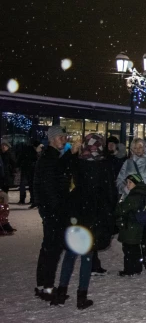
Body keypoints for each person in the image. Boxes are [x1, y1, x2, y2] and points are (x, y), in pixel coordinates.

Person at [52, 134, 114, 309]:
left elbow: (59, 170)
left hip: (76, 212)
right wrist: (109, 216)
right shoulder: (104, 164)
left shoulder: (78, 161)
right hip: (94, 214)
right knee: (87, 256)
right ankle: (81, 296)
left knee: (70, 255)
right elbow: (109, 192)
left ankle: (61, 292)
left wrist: (71, 153)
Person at [33, 126, 78, 301]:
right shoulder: (49, 158)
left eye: (64, 137)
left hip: (51, 210)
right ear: (52, 139)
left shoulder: (49, 156)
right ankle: (48, 287)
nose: (64, 140)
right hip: (54, 211)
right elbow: (52, 183)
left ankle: (43, 284)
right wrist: (56, 209)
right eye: (61, 137)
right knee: (52, 249)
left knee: (48, 248)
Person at [116, 138, 146, 271]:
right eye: (135, 148)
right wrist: (125, 189)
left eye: (140, 147)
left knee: (143, 229)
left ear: (145, 148)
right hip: (130, 201)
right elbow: (119, 180)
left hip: (145, 201)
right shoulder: (128, 163)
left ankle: (145, 258)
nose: (138, 150)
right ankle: (134, 260)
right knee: (131, 229)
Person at [115, 174, 146, 276]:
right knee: (135, 247)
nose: (128, 185)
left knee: (128, 248)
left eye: (130, 182)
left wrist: (120, 201)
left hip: (130, 225)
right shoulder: (142, 193)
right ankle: (137, 267)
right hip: (137, 225)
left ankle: (129, 269)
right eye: (127, 182)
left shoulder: (133, 196)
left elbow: (121, 209)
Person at [17, 140, 39, 206]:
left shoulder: (26, 150)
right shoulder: (34, 152)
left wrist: (18, 165)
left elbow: (20, 158)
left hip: (24, 168)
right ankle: (32, 200)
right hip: (31, 169)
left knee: (22, 185)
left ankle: (22, 199)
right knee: (31, 185)